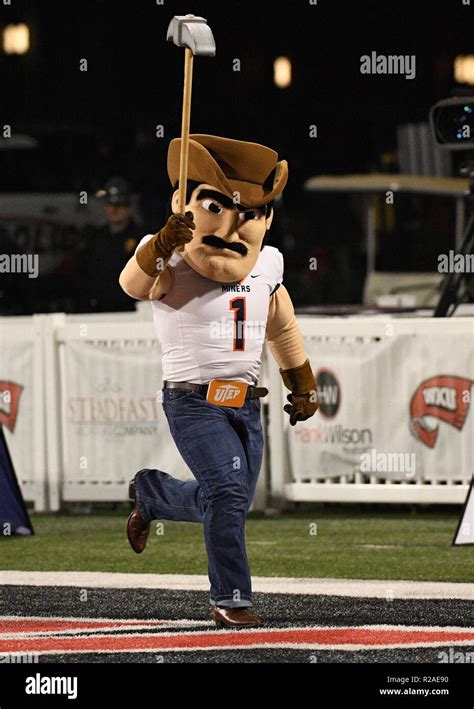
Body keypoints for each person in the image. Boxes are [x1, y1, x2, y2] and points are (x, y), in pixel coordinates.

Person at [119, 135, 319, 628]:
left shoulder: (267, 263)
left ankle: (151, 494)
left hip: (247, 402)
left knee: (226, 500)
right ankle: (231, 598)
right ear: (183, 204)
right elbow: (133, 284)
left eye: (250, 213)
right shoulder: (167, 254)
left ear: (266, 218)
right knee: (228, 496)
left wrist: (302, 383)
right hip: (192, 400)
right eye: (216, 206)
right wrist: (164, 244)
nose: (233, 225)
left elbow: (281, 324)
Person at [79, 177, 144, 312]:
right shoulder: (95, 238)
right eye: (110, 204)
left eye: (120, 205)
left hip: (131, 311)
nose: (114, 210)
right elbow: (86, 276)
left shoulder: (142, 238)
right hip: (99, 310)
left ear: (128, 207)